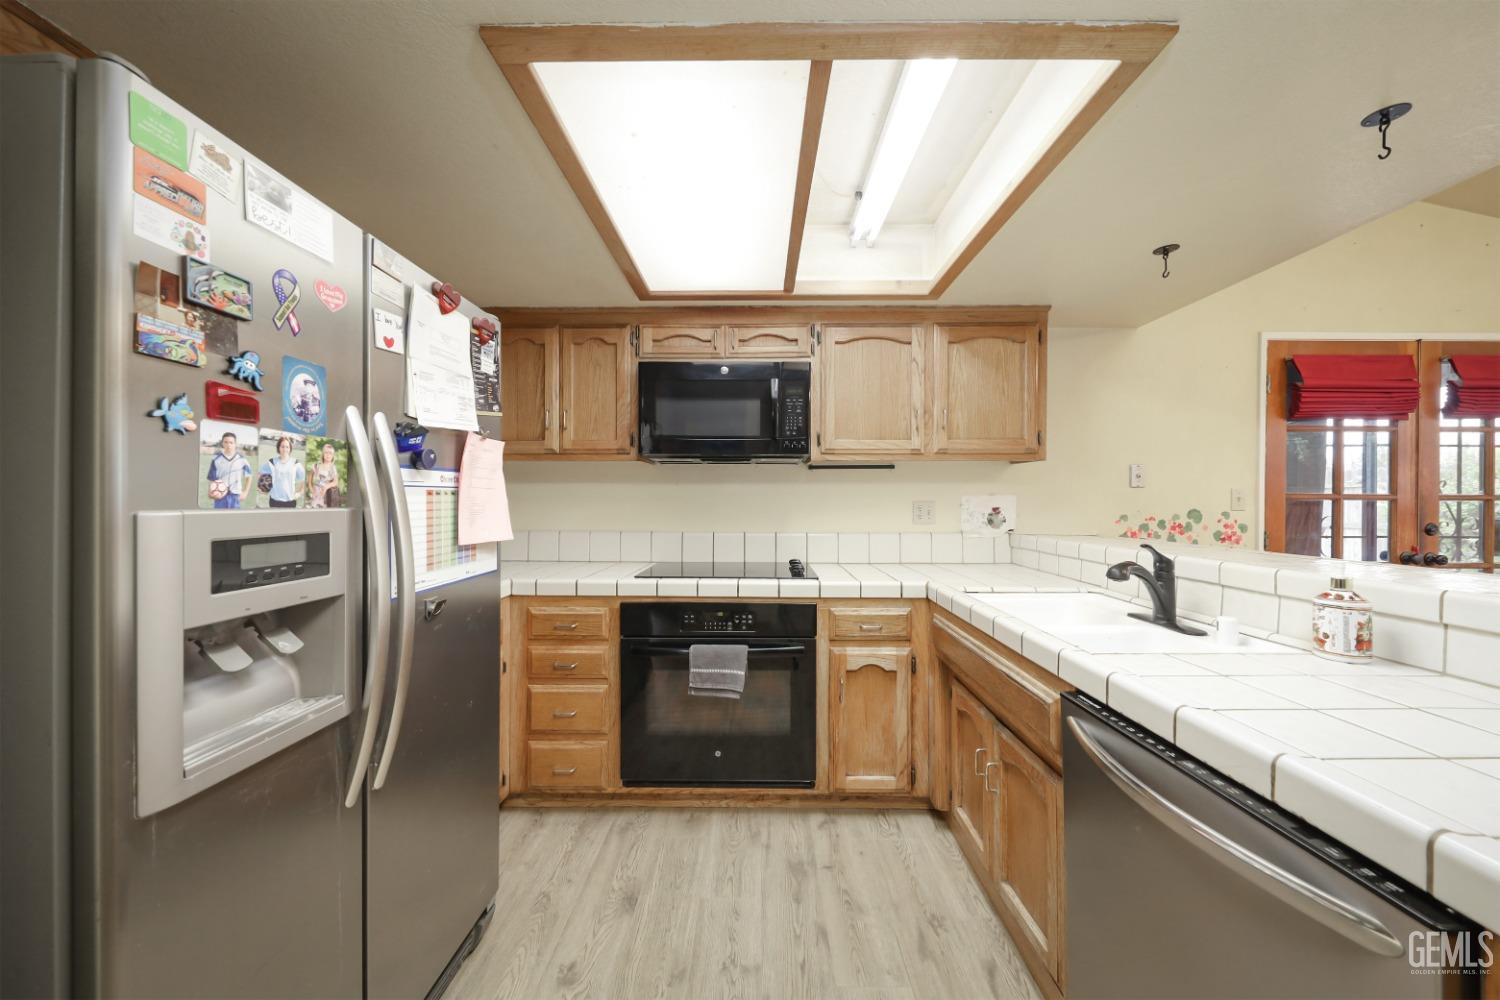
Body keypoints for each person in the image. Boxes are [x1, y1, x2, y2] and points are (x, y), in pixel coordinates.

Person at [205, 430, 251, 510]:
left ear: (235, 444)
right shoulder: (216, 459)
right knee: (219, 519)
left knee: (234, 520)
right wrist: (210, 492)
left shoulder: (242, 459)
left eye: (231, 442)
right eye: (226, 442)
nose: (228, 445)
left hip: (235, 495)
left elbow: (249, 476)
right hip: (220, 494)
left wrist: (245, 492)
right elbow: (212, 478)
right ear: (222, 443)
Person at [260, 435, 305, 508]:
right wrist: (262, 488)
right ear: (278, 448)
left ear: (290, 449)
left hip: (290, 502)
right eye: (282, 446)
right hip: (274, 501)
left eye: (287, 447)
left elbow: (304, 479)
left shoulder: (296, 463)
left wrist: (299, 493)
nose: (285, 449)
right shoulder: (271, 462)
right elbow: (260, 474)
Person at [309, 442, 341, 509]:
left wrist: (327, 486)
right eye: (326, 452)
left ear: (333, 456)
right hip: (315, 494)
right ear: (323, 454)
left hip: (325, 495)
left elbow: (336, 482)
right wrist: (311, 488)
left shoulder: (332, 467)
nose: (328, 455)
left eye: (330, 453)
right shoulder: (317, 465)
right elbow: (310, 476)